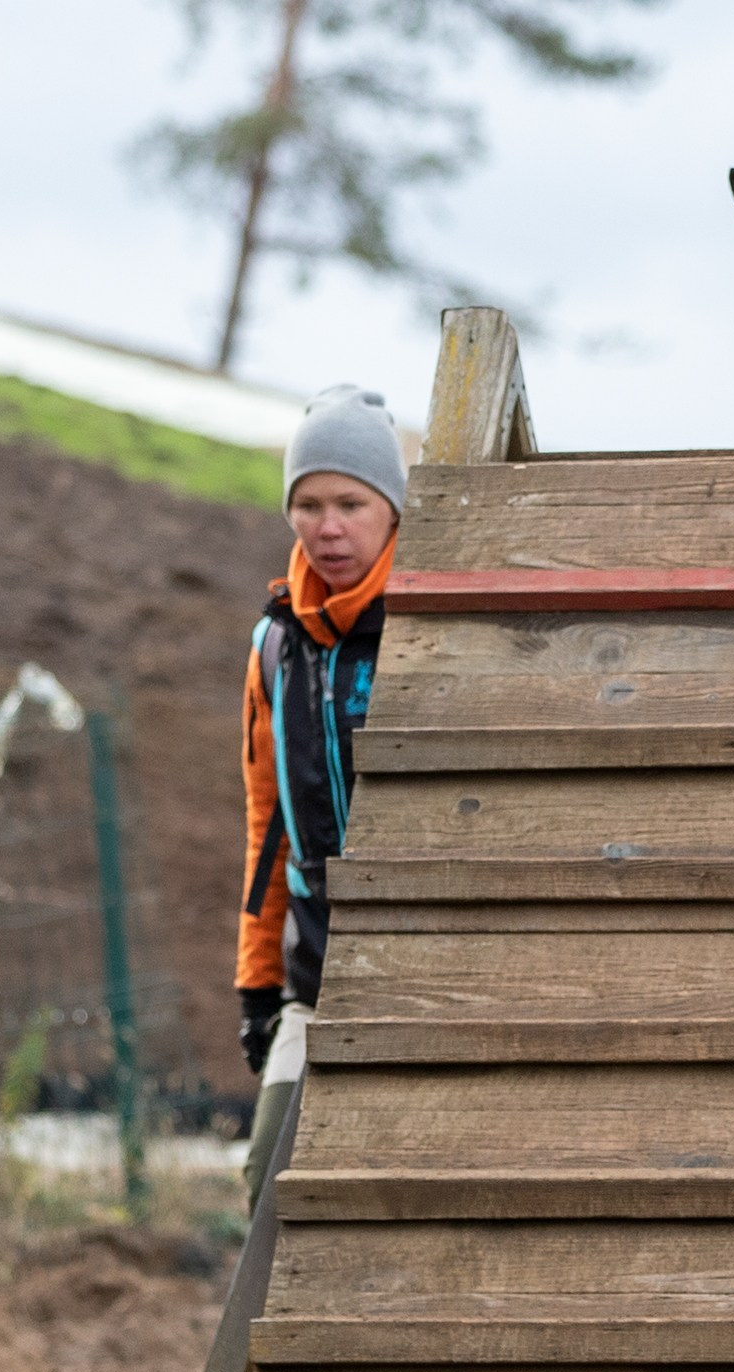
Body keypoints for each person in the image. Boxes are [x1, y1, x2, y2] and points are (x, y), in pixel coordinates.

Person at [237, 385, 408, 1206]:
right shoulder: (275, 644)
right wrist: (256, 985)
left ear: (392, 509)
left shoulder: (429, 625)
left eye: (350, 502)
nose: (327, 525)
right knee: (267, 1190)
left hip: (428, 977)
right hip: (316, 976)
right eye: (307, 503)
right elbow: (266, 824)